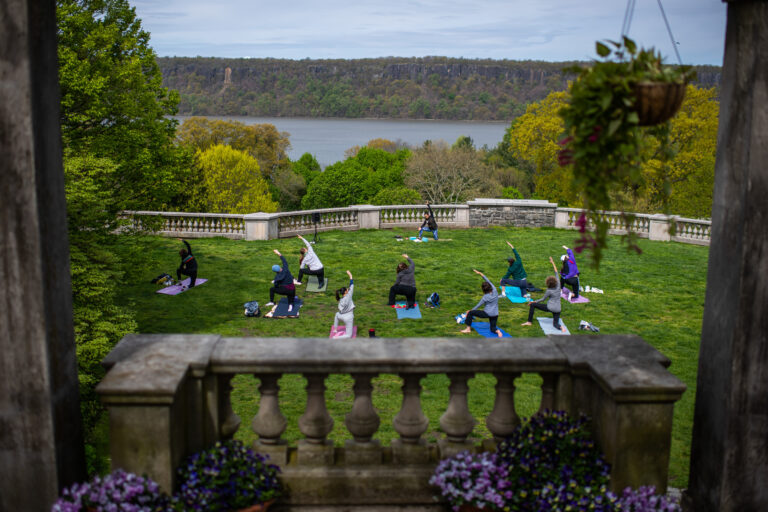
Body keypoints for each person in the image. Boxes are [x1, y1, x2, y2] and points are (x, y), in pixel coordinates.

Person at [521, 257, 565, 332]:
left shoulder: (549, 290)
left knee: (532, 305)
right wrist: (553, 262)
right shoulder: (558, 284)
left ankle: (529, 322)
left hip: (550, 307)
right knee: (555, 324)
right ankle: (561, 327)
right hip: (558, 309)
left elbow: (542, 299)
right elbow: (556, 271)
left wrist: (533, 302)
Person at [460, 269, 502, 337]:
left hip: (487, 313)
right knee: (492, 328)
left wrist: (469, 311)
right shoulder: (495, 290)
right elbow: (488, 280)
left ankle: (468, 329)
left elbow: (478, 306)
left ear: (483, 290)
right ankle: (497, 331)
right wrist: (480, 273)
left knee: (471, 313)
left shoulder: (485, 297)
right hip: (495, 314)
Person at [333, 270, 355, 338]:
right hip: (348, 318)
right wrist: (350, 275)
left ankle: (335, 329)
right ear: (345, 292)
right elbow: (351, 285)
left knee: (336, 314)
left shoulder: (340, 300)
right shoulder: (349, 295)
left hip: (341, 316)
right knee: (349, 335)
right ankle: (336, 338)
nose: (348, 289)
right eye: (347, 289)